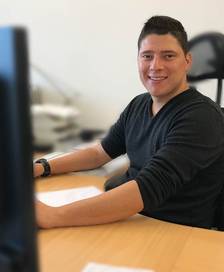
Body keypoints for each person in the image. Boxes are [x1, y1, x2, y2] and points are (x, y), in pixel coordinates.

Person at [34, 15, 224, 230]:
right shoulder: (139, 104)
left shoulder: (201, 117)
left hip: (171, 231)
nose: (156, 66)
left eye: (168, 56)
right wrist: (43, 167)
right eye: (147, 56)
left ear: (187, 61)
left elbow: (148, 188)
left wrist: (53, 216)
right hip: (132, 218)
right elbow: (99, 153)